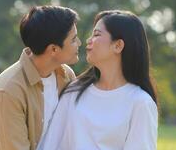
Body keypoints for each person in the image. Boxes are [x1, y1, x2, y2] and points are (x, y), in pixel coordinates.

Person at [40, 10, 158, 150]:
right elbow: (50, 144)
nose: (88, 41)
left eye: (96, 34)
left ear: (118, 45)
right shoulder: (74, 91)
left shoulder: (140, 102)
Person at [0, 5, 81, 150]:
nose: (79, 43)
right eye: (73, 39)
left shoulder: (65, 75)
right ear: (53, 49)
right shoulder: (9, 90)